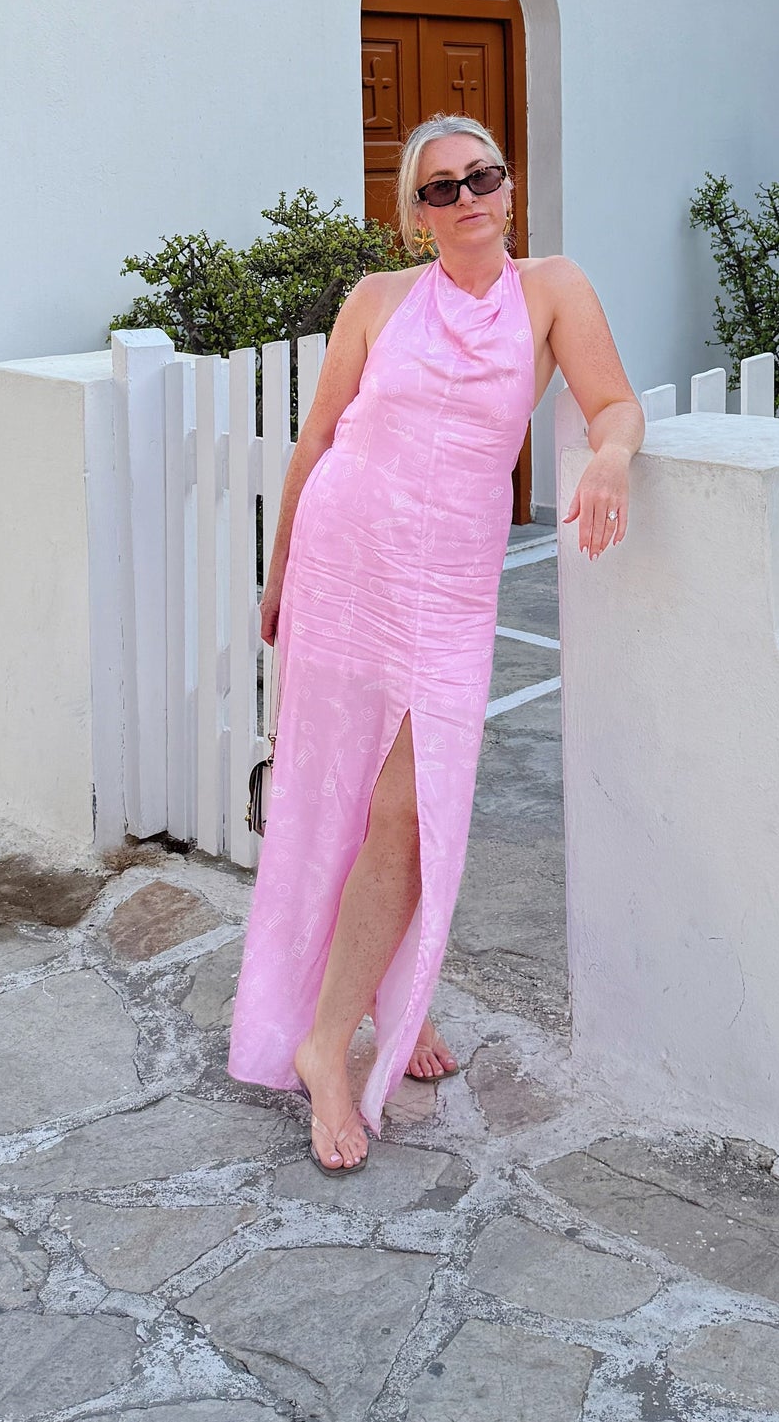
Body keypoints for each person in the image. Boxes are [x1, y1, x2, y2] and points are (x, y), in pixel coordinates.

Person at [226, 114, 641, 1170]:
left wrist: (609, 459)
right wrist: (278, 580)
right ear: (414, 216)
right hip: (344, 562)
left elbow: (613, 402)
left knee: (412, 809)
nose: (464, 200)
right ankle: (342, 1030)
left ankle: (351, 1020)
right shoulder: (374, 302)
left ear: (508, 189)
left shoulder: (550, 290)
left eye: (480, 178)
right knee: (342, 797)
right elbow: (317, 441)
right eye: (438, 189)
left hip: (446, 588)